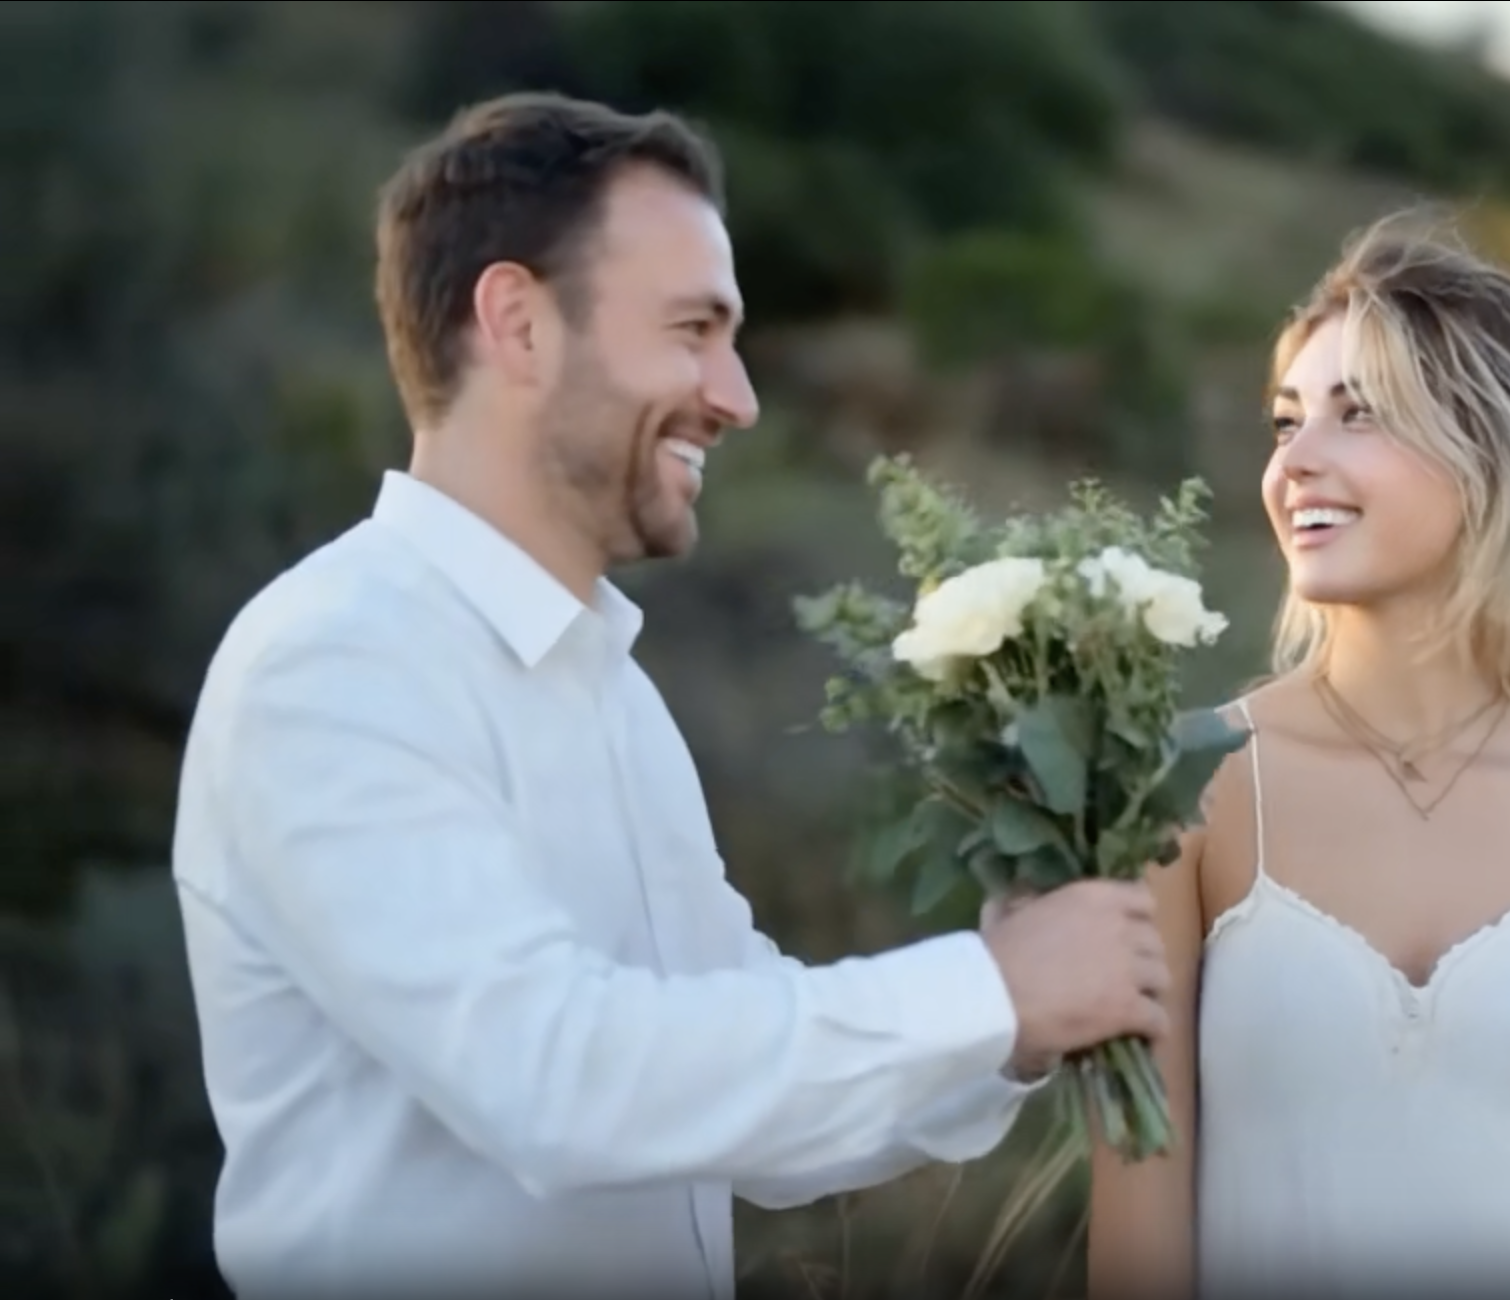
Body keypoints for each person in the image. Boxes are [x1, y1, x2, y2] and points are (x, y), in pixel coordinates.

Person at [169, 92, 1171, 1300]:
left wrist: (1014, 1017)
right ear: (518, 323)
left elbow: (737, 1090)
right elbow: (553, 1077)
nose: (736, 396)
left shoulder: (615, 695)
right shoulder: (333, 664)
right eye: (694, 328)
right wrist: (990, 991)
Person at [1081, 215, 1510, 1299]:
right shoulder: (1175, 788)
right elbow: (1135, 1260)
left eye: (1359, 416)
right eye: (1286, 421)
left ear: (1492, 452)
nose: (1295, 462)